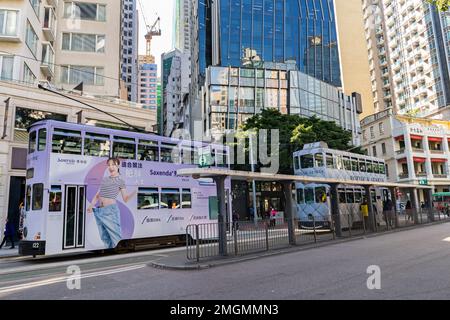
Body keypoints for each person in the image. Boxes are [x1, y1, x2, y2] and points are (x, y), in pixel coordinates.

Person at [87, 158, 136, 249]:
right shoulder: (105, 179)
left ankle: (120, 256)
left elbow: (125, 199)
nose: (110, 167)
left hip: (111, 210)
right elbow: (98, 195)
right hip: (100, 210)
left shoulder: (120, 181)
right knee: (104, 237)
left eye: (113, 164)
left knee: (115, 237)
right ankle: (111, 255)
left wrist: (135, 192)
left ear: (118, 166)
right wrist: (91, 206)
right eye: (109, 165)